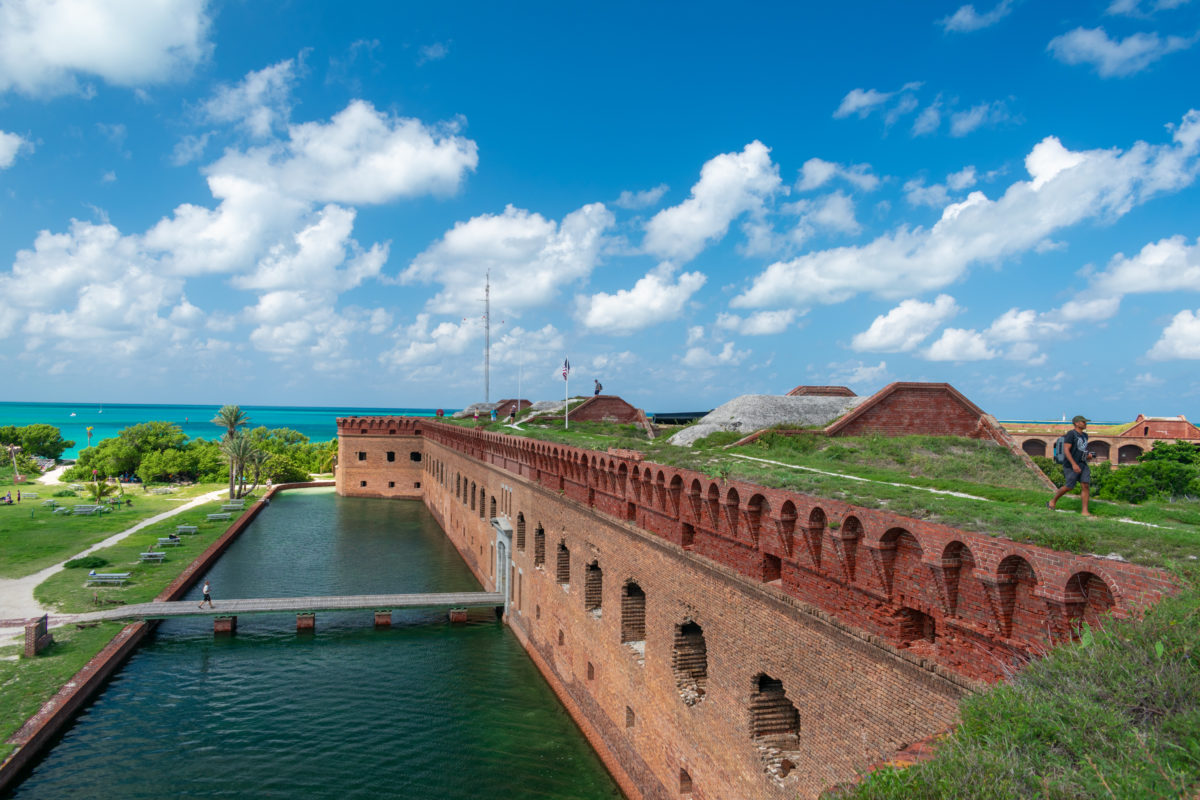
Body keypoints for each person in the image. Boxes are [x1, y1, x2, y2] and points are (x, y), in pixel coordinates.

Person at [1049, 415, 1094, 517]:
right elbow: (1066, 450)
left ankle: (1085, 512)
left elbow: (1081, 450)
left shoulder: (1085, 436)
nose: (1085, 423)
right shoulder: (1071, 434)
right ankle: (1053, 501)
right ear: (1077, 423)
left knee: (1085, 485)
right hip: (1071, 465)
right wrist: (1073, 464)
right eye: (1083, 422)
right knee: (1069, 486)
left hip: (1083, 464)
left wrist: (1088, 455)